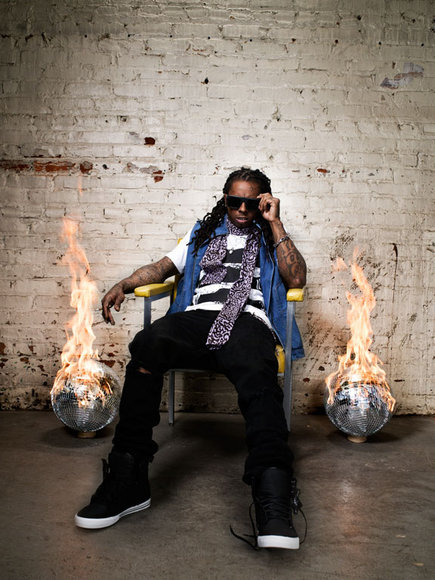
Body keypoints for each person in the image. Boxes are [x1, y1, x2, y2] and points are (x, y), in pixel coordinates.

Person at [75, 168, 307, 550]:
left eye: (251, 203)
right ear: (225, 199)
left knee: (258, 371)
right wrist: (124, 284)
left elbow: (296, 279)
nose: (242, 209)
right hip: (198, 318)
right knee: (148, 344)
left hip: (247, 320)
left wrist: (275, 223)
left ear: (264, 202)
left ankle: (273, 494)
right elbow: (161, 268)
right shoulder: (201, 233)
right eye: (235, 201)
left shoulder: (271, 237)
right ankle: (128, 478)